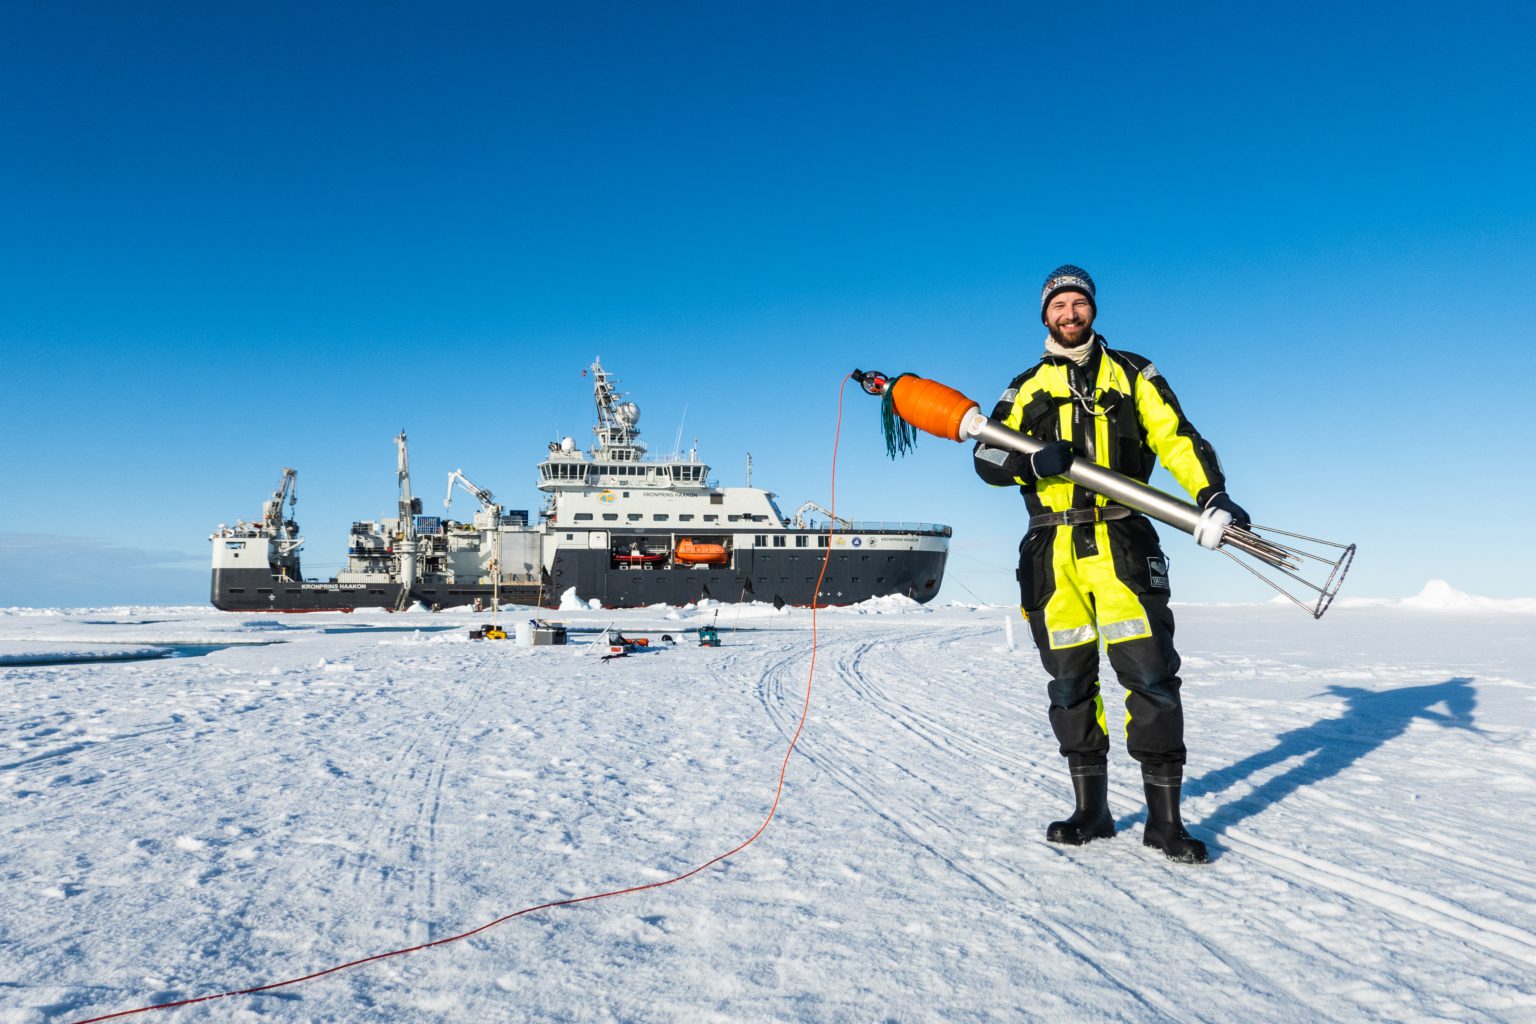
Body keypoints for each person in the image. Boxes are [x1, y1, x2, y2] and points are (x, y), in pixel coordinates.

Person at [972, 264, 1249, 864]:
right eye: (1058, 306)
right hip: (1052, 554)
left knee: (1151, 679)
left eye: (1078, 303)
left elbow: (1175, 437)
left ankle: (1165, 822)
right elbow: (987, 456)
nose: (1068, 314)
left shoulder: (1132, 372)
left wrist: (1212, 494)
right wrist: (1030, 464)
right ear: (1045, 316)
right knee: (1070, 685)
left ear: (1092, 309)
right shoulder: (1025, 386)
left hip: (1122, 542)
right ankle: (1091, 811)